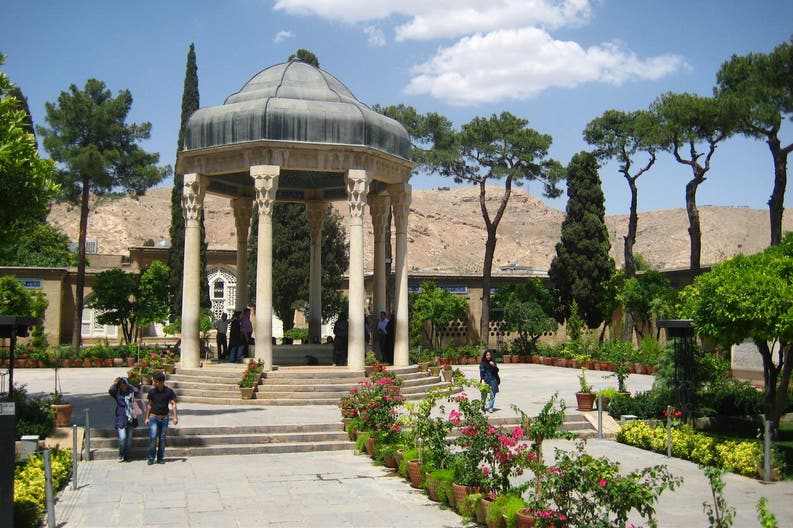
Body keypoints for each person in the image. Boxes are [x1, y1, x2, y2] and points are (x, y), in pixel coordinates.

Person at [145, 372, 178, 465]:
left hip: (164, 418)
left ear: (161, 382)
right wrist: (147, 417)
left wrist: (175, 417)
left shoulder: (169, 391)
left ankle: (160, 458)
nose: (153, 383)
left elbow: (173, 403)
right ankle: (151, 458)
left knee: (162, 438)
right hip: (153, 417)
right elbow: (149, 405)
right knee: (152, 437)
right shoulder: (152, 392)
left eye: (155, 381)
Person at [108, 376, 140, 462]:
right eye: (121, 384)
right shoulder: (117, 393)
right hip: (121, 417)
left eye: (124, 383)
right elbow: (111, 391)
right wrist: (115, 383)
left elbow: (137, 391)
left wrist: (129, 385)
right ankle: (121, 454)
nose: (123, 385)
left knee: (129, 440)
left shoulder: (131, 392)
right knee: (122, 438)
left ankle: (127, 455)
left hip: (131, 418)